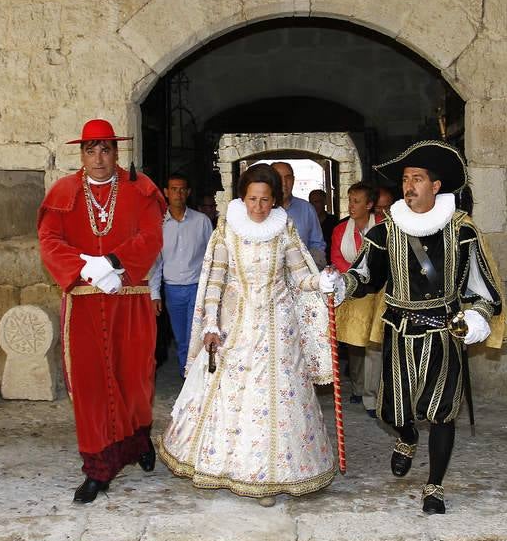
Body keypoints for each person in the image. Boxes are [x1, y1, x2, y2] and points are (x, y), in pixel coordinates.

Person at [325, 141, 503, 514]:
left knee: (441, 411)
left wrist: (477, 317)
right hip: (399, 330)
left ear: (436, 186)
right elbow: (363, 275)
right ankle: (405, 437)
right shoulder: (386, 230)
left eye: (417, 179)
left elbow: (484, 289)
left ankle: (434, 486)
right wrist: (340, 284)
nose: (409, 186)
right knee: (394, 411)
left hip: (446, 332)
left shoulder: (462, 231)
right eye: (406, 179)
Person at [157, 163, 336, 505]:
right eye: (252, 199)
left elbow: (300, 275)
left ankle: (274, 476)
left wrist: (322, 282)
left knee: (275, 399)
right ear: (243, 197)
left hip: (278, 329)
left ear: (275, 200)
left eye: (265, 200)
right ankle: (231, 469)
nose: (258, 207)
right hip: (236, 325)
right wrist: (211, 322)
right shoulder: (228, 228)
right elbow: (216, 280)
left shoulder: (284, 229)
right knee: (233, 396)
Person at [38, 119, 165, 504]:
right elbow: (49, 239)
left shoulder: (140, 189)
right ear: (81, 154)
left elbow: (152, 235)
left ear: (116, 152)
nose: (98, 158)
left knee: (135, 379)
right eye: (90, 150)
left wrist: (114, 262)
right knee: (92, 386)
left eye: (106, 149)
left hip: (130, 298)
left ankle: (138, 440)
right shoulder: (63, 192)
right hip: (85, 305)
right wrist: (85, 269)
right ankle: (98, 468)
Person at [149, 174, 213, 378]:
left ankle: (195, 379)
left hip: (197, 287)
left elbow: (211, 257)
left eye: (182, 189)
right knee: (181, 338)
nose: (178, 193)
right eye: (174, 189)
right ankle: (187, 377)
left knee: (195, 335)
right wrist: (154, 294)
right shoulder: (158, 225)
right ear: (166, 193)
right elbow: (156, 262)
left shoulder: (201, 221)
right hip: (172, 289)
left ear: (188, 192)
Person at [330, 182, 382, 414]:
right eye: (350, 200)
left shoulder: (382, 226)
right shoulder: (341, 230)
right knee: (355, 342)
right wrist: (355, 276)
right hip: (353, 290)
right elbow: (337, 258)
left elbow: (386, 257)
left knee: (373, 343)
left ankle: (371, 396)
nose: (351, 205)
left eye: (357, 201)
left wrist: (371, 275)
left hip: (379, 290)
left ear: (369, 205)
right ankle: (358, 388)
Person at [271, 161, 326, 268]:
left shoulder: (307, 209)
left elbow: (317, 244)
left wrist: (313, 272)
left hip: (303, 277)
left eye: (288, 178)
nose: (283, 183)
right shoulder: (261, 209)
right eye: (278, 177)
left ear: (293, 180)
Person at [309, 188, 338, 265]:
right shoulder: (307, 223)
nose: (314, 206)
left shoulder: (334, 222)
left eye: (317, 202)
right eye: (311, 203)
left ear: (324, 202)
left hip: (332, 264)